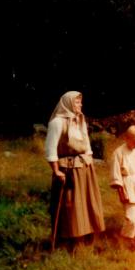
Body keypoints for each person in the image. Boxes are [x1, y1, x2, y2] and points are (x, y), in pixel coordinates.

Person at [44, 91, 105, 251]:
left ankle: (87, 237)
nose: (80, 105)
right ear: (69, 104)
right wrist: (56, 171)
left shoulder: (80, 120)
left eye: (80, 102)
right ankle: (69, 241)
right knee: (71, 206)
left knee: (87, 202)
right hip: (68, 170)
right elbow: (50, 149)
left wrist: (89, 161)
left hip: (84, 167)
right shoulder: (57, 123)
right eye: (77, 102)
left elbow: (86, 142)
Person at [109, 124, 135, 245]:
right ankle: (125, 237)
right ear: (127, 139)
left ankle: (133, 238)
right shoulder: (119, 152)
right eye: (134, 142)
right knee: (131, 217)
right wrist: (120, 190)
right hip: (128, 186)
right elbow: (115, 173)